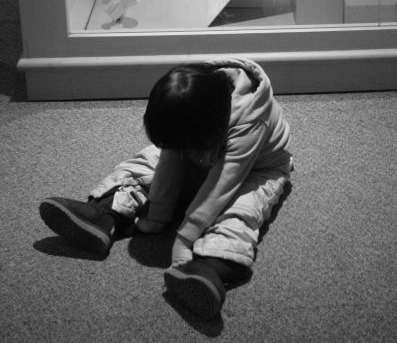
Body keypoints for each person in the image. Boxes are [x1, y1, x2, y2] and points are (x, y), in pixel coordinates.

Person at [38, 59, 292, 321]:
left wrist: (183, 240)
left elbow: (219, 187)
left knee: (240, 208)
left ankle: (212, 264)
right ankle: (106, 213)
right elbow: (170, 158)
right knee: (147, 162)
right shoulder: (191, 106)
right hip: (201, 148)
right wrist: (156, 216)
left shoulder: (250, 121)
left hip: (254, 169)